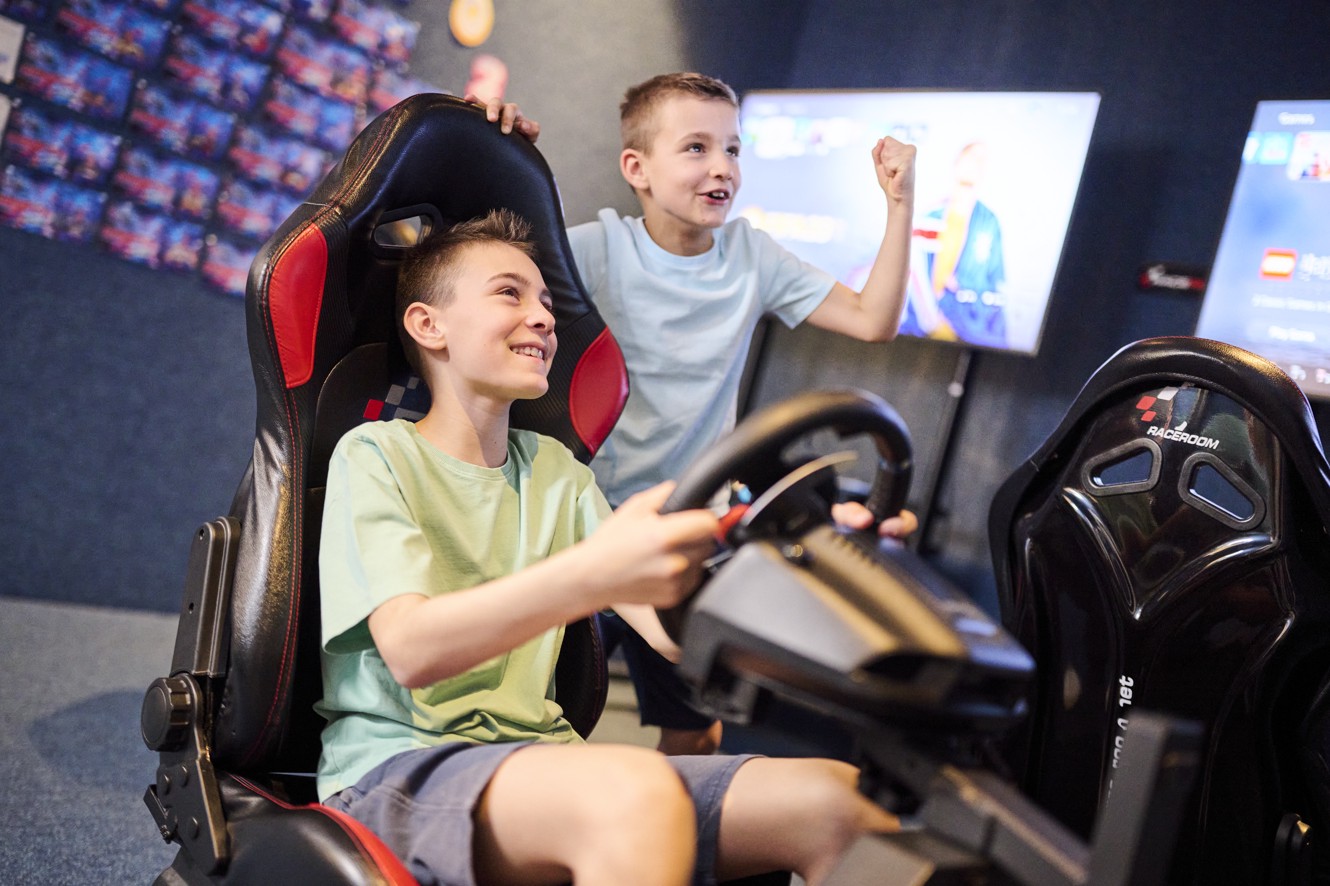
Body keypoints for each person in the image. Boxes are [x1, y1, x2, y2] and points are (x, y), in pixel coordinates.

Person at [315, 209, 899, 886]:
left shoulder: (558, 473)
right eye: (510, 293)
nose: (543, 317)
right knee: (635, 794)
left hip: (543, 759)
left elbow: (673, 636)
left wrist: (816, 565)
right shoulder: (377, 453)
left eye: (545, 301)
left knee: (842, 803)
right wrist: (593, 574)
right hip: (400, 771)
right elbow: (413, 650)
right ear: (428, 325)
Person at [473, 73, 919, 756]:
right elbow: (480, 277)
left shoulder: (752, 256)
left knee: (694, 732)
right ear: (637, 169)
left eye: (733, 151)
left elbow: (873, 319)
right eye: (696, 148)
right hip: (588, 525)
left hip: (688, 527)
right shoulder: (594, 250)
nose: (722, 168)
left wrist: (899, 202)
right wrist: (491, 150)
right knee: (537, 722)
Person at [902, 141, 1008, 349]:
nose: (975, 164)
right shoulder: (928, 217)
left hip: (968, 329)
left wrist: (963, 287)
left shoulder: (989, 222)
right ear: (957, 162)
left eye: (981, 160)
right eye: (971, 157)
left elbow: (995, 282)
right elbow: (910, 274)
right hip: (921, 327)